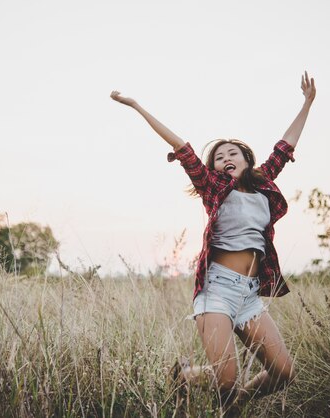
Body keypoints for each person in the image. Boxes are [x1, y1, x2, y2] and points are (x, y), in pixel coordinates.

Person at [110, 72, 316, 405]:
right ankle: (194, 380)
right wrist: (136, 106)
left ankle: (212, 393)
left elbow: (285, 145)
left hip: (249, 296)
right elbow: (181, 146)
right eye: (219, 157)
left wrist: (307, 102)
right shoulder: (214, 187)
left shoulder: (264, 184)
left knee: (284, 373)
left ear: (247, 160)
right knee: (227, 382)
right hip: (217, 291)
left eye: (233, 153)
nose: (225, 158)